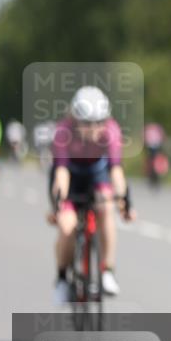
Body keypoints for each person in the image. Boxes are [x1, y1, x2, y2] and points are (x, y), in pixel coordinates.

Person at [48, 86, 135, 303]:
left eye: (100, 122)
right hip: (70, 176)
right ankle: (61, 277)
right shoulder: (63, 132)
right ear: (76, 119)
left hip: (97, 173)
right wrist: (60, 206)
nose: (95, 128)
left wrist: (124, 201)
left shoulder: (111, 131)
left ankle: (107, 271)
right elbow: (61, 173)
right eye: (87, 123)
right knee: (67, 226)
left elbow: (116, 170)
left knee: (106, 208)